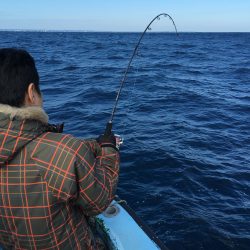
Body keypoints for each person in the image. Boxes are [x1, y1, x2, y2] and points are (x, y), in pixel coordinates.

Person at [0, 48, 120, 249]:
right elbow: (99, 200)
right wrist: (109, 150)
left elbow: (34, 146)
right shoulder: (64, 152)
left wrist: (91, 145)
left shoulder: (64, 150)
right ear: (31, 93)